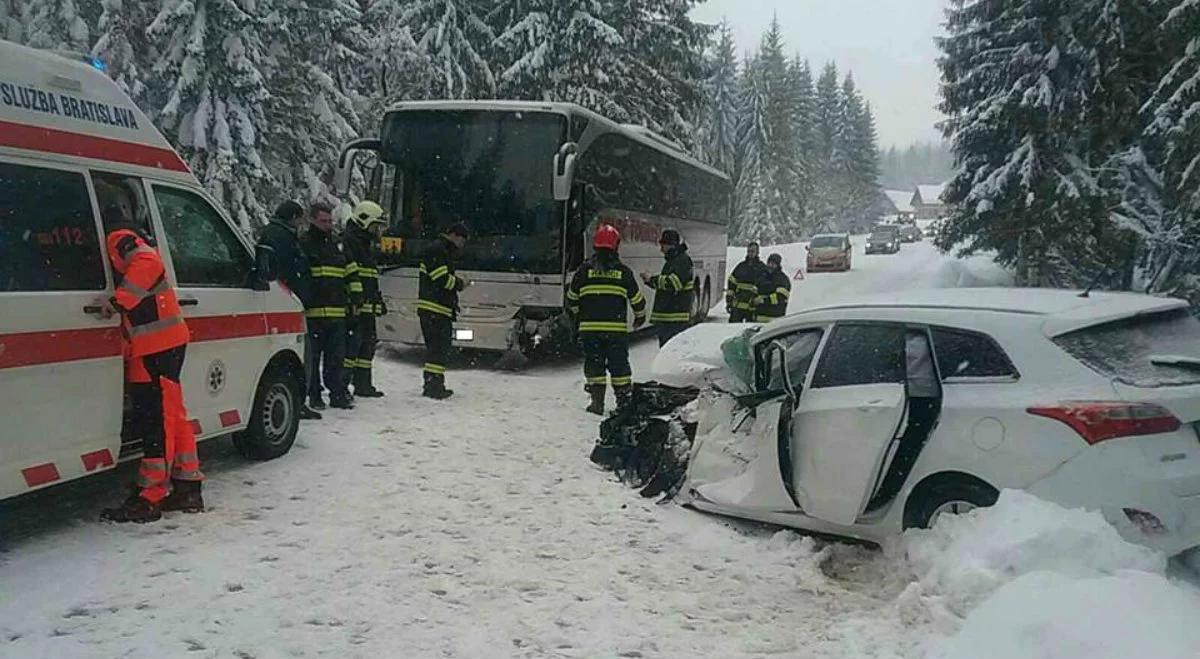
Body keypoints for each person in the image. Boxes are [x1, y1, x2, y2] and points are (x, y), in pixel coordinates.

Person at [98, 207, 204, 523]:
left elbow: (149, 262)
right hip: (162, 344)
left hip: (156, 347)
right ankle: (187, 485)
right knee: (171, 414)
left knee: (155, 418)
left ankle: (150, 496)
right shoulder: (130, 235)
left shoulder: (118, 237)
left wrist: (118, 301)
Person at [567, 224, 647, 415]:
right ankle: (623, 402)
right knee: (619, 366)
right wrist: (639, 317)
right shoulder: (624, 272)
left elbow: (571, 299)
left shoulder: (583, 271)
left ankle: (597, 403)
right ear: (616, 246)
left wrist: (581, 315)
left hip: (589, 331)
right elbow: (637, 300)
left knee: (594, 365)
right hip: (615, 332)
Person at [258, 200, 322, 420]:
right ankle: (297, 401)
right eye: (300, 218)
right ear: (293, 217)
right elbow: (290, 269)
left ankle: (297, 400)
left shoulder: (272, 233)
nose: (302, 223)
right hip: (288, 301)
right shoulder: (284, 238)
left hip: (283, 299)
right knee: (300, 354)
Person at [302, 201, 356, 410]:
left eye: (330, 220)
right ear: (312, 220)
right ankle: (314, 394)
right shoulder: (305, 244)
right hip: (313, 312)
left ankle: (337, 394)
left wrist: (356, 297)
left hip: (337, 312)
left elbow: (351, 272)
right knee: (313, 359)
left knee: (336, 358)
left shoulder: (337, 244)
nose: (328, 225)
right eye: (323, 221)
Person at [418, 222, 470, 399]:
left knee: (438, 349)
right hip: (435, 309)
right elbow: (441, 279)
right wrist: (460, 283)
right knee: (437, 349)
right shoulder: (438, 250)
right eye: (462, 240)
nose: (462, 245)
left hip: (437, 309)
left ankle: (434, 384)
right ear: (455, 236)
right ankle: (433, 386)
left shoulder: (440, 250)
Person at [342, 201, 388, 398]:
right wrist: (356, 299)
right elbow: (350, 273)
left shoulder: (364, 244)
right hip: (355, 306)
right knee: (352, 348)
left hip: (367, 305)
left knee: (367, 345)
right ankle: (342, 387)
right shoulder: (350, 242)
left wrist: (377, 299)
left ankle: (363, 384)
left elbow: (370, 277)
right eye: (375, 225)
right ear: (364, 221)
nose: (378, 231)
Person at [643, 229, 694, 347]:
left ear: (671, 245)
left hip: (674, 320)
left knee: (670, 353)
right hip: (669, 319)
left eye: (663, 245)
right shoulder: (675, 260)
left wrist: (653, 279)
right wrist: (650, 281)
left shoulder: (682, 261)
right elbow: (667, 284)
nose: (661, 249)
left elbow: (674, 283)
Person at [727, 242, 768, 323]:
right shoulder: (741, 266)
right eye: (749, 251)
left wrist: (760, 302)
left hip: (752, 307)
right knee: (732, 329)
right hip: (738, 306)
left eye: (752, 251)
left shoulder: (762, 268)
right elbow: (732, 282)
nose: (750, 253)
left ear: (757, 252)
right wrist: (729, 299)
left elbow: (764, 287)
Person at [754, 253, 792, 322]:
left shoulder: (782, 279)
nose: (770, 266)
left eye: (773, 264)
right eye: (769, 263)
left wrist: (764, 300)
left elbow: (781, 297)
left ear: (778, 265)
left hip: (775, 319)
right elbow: (755, 291)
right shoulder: (762, 276)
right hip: (759, 317)